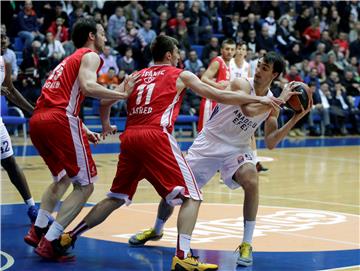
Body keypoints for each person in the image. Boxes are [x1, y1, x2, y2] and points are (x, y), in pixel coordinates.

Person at [59, 36, 282, 270]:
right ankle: (173, 246)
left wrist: (107, 124)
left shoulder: (137, 74)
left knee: (116, 196)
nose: (179, 56)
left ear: (274, 75)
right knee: (187, 194)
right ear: (169, 55)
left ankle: (67, 236)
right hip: (184, 140)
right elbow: (228, 99)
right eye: (177, 51)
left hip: (137, 137)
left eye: (264, 68)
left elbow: (104, 100)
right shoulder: (194, 76)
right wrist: (263, 99)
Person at [127, 52, 311, 267]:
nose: (259, 70)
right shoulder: (241, 83)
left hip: (237, 148)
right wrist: (279, 101)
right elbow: (249, 110)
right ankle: (157, 229)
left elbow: (271, 141)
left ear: (275, 74)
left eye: (265, 68)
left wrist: (295, 118)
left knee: (252, 181)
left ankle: (247, 243)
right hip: (210, 143)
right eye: (259, 65)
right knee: (176, 192)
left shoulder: (273, 104)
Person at [23, 18, 135, 261]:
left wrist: (82, 129)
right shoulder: (90, 55)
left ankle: (38, 228)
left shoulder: (65, 62)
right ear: (92, 36)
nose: (105, 38)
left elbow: (59, 100)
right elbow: (88, 87)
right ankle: (51, 241)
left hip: (38, 120)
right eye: (102, 34)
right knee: (86, 185)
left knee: (61, 178)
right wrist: (122, 94)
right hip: (59, 119)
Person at [1, 29, 38, 223]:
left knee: (10, 163)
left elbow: (11, 91)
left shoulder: (4, 63)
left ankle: (32, 207)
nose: (3, 40)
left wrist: (34, 110)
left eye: (5, 36)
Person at [229, 42, 268, 172]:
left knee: (250, 132)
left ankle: (255, 161)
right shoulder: (229, 63)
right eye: (238, 48)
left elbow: (252, 83)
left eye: (243, 49)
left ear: (246, 52)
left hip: (244, 99)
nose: (240, 51)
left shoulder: (247, 66)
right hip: (230, 99)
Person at [198, 38, 236, 132]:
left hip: (220, 101)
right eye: (227, 49)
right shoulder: (217, 61)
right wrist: (217, 85)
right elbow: (204, 78)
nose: (229, 52)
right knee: (205, 134)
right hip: (210, 102)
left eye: (232, 49)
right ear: (221, 50)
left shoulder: (231, 64)